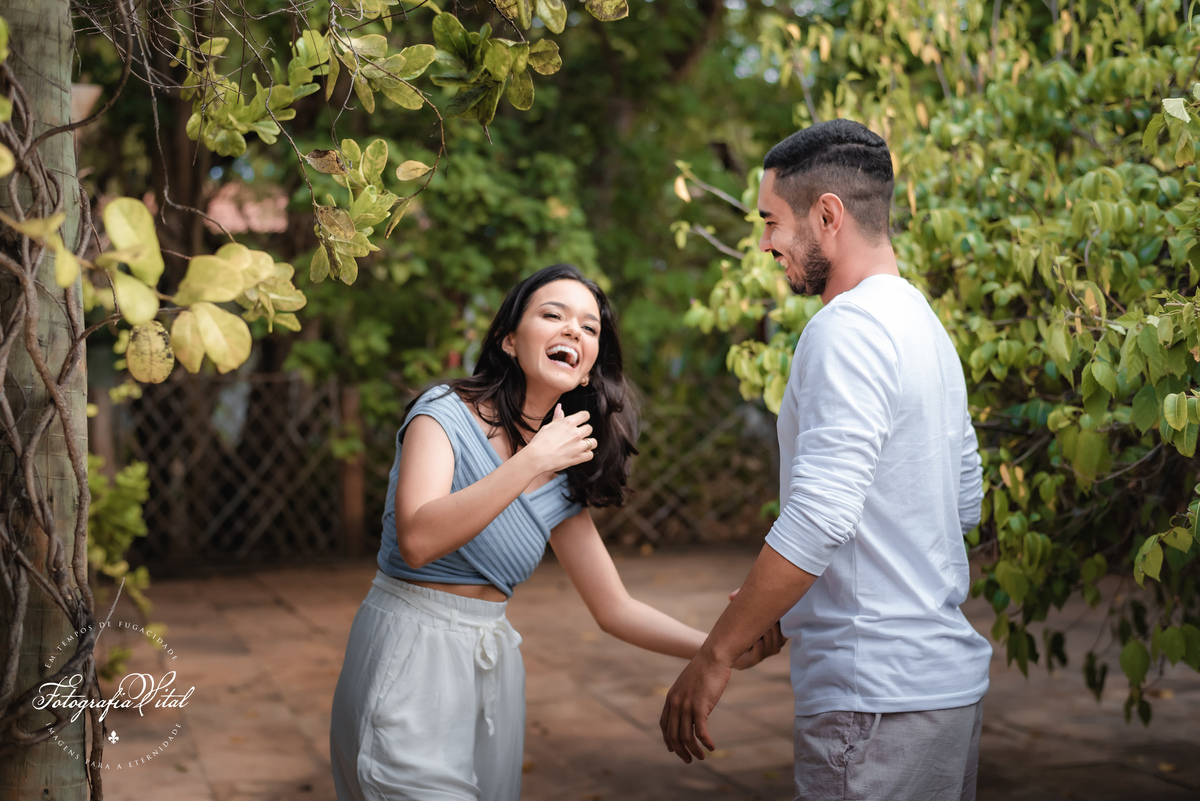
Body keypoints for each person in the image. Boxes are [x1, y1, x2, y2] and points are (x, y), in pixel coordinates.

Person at [330, 263, 784, 801]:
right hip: (409, 653)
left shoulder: (562, 474)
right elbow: (419, 538)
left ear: (590, 368)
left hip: (490, 669)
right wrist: (532, 459)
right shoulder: (443, 414)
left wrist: (721, 650)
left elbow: (614, 608)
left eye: (589, 327)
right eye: (553, 315)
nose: (573, 330)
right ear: (508, 339)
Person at [659, 120, 992, 801]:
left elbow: (820, 516)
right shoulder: (927, 329)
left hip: (871, 701)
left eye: (771, 221)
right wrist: (791, 610)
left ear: (828, 215)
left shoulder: (844, 329)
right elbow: (963, 504)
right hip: (943, 694)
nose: (764, 243)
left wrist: (715, 652)